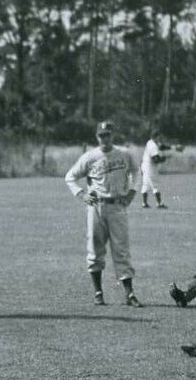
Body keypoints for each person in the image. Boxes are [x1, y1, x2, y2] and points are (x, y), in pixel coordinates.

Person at [65, 120, 141, 306]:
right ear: (96, 136)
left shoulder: (124, 154)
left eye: (108, 135)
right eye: (101, 135)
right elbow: (70, 177)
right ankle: (98, 292)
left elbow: (137, 171)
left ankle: (129, 294)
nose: (104, 138)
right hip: (97, 206)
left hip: (117, 206)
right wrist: (81, 194)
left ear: (113, 135)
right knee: (95, 249)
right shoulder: (90, 157)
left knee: (121, 250)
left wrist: (132, 191)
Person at [139, 128, 178, 209]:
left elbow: (162, 146)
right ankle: (159, 203)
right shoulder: (153, 146)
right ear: (156, 137)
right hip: (150, 166)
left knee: (146, 184)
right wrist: (165, 157)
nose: (160, 139)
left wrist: (174, 147)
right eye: (159, 137)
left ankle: (144, 203)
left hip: (145, 165)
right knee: (155, 184)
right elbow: (156, 160)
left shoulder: (150, 142)